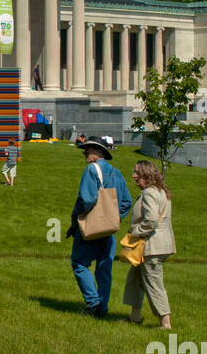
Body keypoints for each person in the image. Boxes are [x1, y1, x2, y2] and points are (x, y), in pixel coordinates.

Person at [65, 137, 133, 317]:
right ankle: (102, 308)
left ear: (100, 152)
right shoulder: (116, 172)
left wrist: (78, 218)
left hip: (91, 228)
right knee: (104, 269)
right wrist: (113, 218)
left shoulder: (91, 170)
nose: (85, 153)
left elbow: (87, 199)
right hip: (109, 230)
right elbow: (126, 202)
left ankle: (93, 303)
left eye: (88, 149)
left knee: (79, 263)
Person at [122, 159, 176, 329]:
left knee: (154, 283)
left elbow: (151, 220)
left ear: (146, 175)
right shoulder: (161, 192)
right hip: (159, 245)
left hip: (152, 247)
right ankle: (135, 316)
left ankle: (165, 323)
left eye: (137, 173)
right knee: (135, 279)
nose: (134, 176)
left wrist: (135, 232)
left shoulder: (149, 193)